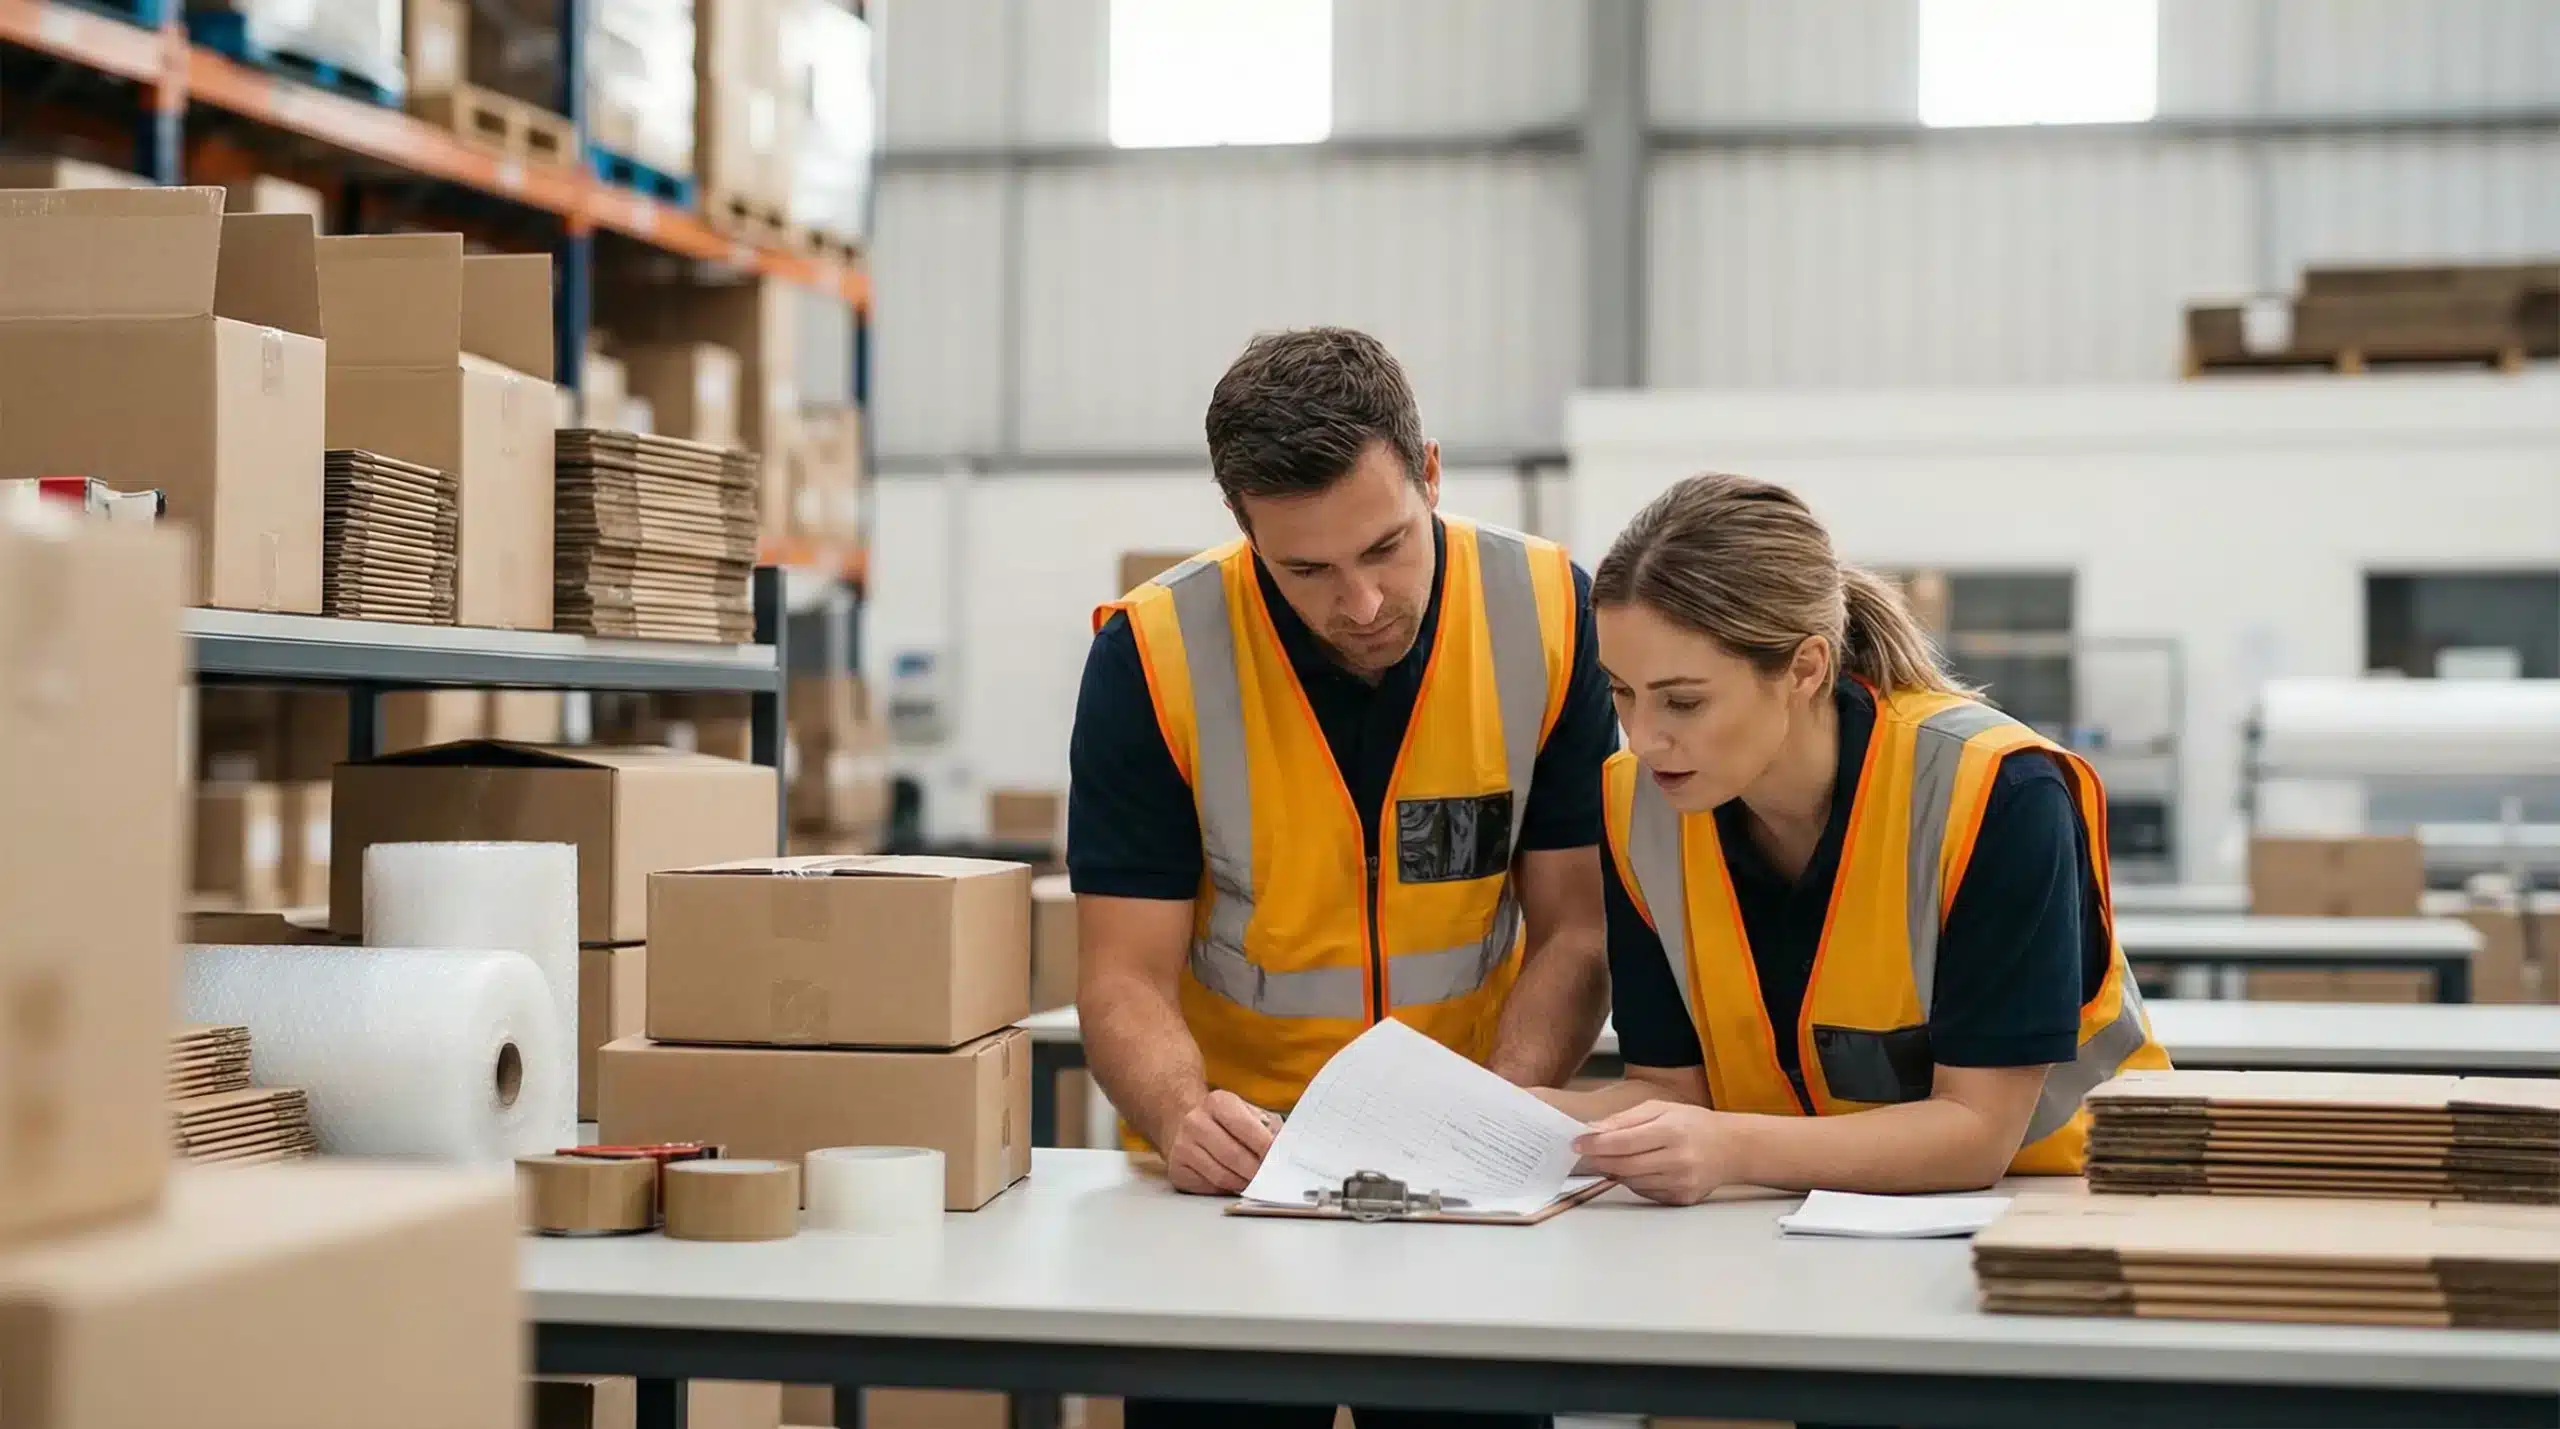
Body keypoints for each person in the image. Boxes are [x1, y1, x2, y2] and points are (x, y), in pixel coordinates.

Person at [1069, 328, 1616, 1429]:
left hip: (1465, 1186)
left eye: (1386, 547)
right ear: (1243, 527)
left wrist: (1492, 1115)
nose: (1361, 603)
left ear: (1430, 472)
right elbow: (1122, 974)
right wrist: (1183, 1118)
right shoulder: (1155, 654)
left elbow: (1578, 930)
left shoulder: (1550, 613)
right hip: (1234, 1194)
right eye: (1307, 570)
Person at [1539, 473, 2169, 1205]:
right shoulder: (1636, 804)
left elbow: (1976, 1134)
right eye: (1621, 692)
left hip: (2065, 1213)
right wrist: (1505, 1117)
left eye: (1683, 701)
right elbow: (1671, 1093)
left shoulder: (1999, 792)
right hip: (1795, 1222)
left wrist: (1730, 1147)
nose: (1643, 738)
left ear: (1805, 668)